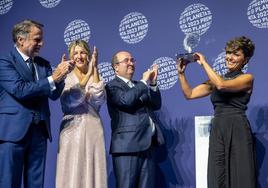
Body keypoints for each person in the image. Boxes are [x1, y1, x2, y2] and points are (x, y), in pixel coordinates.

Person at [0, 19, 74, 188]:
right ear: (21, 39)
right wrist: (53, 78)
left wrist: (62, 76)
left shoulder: (43, 64)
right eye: (37, 39)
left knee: (36, 183)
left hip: (39, 131)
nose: (42, 43)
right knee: (8, 182)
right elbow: (20, 90)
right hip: (12, 133)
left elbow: (54, 94)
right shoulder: (4, 62)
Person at [177, 36, 256, 188]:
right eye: (228, 53)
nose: (230, 57)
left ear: (245, 60)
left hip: (237, 128)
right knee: (217, 175)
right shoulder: (216, 79)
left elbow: (221, 85)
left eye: (236, 54)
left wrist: (204, 63)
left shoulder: (247, 78)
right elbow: (190, 94)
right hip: (218, 129)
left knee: (241, 175)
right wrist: (181, 74)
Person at [105, 51, 165, 188]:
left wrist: (153, 83)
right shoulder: (112, 86)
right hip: (127, 148)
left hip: (148, 145)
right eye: (126, 60)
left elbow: (156, 105)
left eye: (132, 60)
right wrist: (144, 82)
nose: (131, 63)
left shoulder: (139, 85)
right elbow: (126, 100)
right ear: (116, 67)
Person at [56, 40, 107, 188]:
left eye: (83, 52)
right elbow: (70, 100)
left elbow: (98, 99)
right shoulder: (65, 77)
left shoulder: (94, 75)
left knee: (94, 173)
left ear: (89, 55)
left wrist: (95, 69)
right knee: (71, 174)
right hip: (71, 131)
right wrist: (88, 74)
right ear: (71, 56)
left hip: (93, 129)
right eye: (75, 53)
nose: (79, 56)